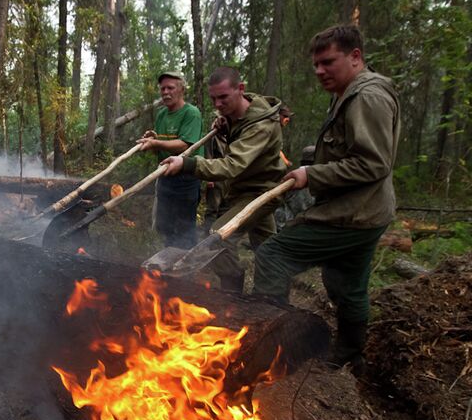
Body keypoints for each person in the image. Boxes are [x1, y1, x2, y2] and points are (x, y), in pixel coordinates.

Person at [252, 24, 401, 371]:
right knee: (347, 284)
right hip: (370, 212)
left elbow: (373, 163)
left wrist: (312, 174)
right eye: (316, 64)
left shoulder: (367, 96)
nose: (319, 71)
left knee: (273, 254)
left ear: (355, 56)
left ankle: (269, 347)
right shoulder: (350, 91)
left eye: (328, 62)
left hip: (352, 214)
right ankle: (350, 353)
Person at [159, 67, 286, 292]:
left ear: (241, 89)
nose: (217, 104)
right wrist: (224, 123)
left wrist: (187, 164)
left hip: (262, 193)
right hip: (241, 190)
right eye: (214, 98)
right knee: (270, 251)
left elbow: (232, 164)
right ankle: (274, 299)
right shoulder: (237, 114)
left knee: (219, 238)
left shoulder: (261, 124)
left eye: (223, 97)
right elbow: (233, 130)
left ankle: (233, 294)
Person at [137, 71, 204, 249]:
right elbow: (161, 145)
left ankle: (185, 269)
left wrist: (155, 142)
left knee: (184, 229)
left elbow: (185, 145)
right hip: (165, 177)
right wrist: (153, 139)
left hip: (186, 177)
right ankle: (166, 268)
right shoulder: (161, 114)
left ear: (181, 89)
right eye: (162, 88)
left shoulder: (192, 113)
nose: (165, 92)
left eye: (170, 88)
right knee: (166, 227)